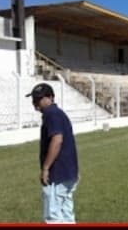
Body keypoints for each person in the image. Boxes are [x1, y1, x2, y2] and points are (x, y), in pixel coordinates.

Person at [26, 83, 79, 224]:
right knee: (66, 214)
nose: (35, 103)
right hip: (67, 172)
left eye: (39, 99)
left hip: (57, 174)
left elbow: (57, 140)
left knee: (53, 216)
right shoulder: (57, 113)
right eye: (34, 99)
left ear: (51, 97)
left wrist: (45, 168)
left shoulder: (51, 114)